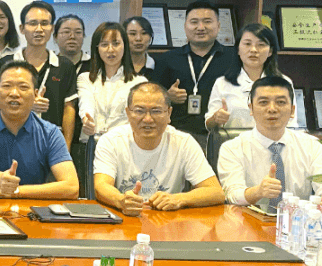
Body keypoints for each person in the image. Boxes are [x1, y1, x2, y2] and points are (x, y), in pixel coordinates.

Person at [92, 82, 224, 216]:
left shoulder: (184, 143)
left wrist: (179, 199)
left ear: (169, 113)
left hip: (167, 220)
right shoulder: (111, 141)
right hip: (125, 218)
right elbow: (101, 186)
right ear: (128, 113)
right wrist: (120, 200)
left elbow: (215, 192)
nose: (148, 119)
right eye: (139, 111)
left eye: (156, 111)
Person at [217, 76, 322, 210]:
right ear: (251, 109)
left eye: (280, 102)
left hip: (298, 220)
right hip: (248, 221)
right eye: (263, 102)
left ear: (292, 110)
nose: (272, 109)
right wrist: (258, 192)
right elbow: (231, 194)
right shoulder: (232, 149)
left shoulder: (312, 146)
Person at [0, 61, 79, 199]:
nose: (14, 93)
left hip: (31, 208)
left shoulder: (50, 133)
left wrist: (15, 191)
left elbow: (72, 187)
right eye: (7, 86)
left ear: (35, 95)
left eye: (23, 87)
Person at [76, 22, 147, 197]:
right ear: (96, 48)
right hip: (91, 146)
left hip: (124, 149)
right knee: (91, 198)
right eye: (104, 44)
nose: (110, 50)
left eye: (116, 43)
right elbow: (86, 102)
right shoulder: (85, 78)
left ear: (125, 46)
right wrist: (86, 120)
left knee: (122, 196)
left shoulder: (139, 82)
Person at [0, 1, 77, 148]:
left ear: (52, 28)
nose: (39, 29)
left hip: (52, 141)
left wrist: (65, 148)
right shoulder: (5, 64)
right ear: (22, 28)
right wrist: (27, 104)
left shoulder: (65, 66)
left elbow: (69, 109)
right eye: (33, 23)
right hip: (11, 139)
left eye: (44, 23)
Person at [154, 0, 237, 141]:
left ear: (218, 26)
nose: (200, 27)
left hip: (221, 136)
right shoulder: (167, 59)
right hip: (176, 136)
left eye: (207, 21)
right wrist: (167, 96)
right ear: (185, 26)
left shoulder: (234, 59)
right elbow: (152, 98)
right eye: (194, 22)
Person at [207, 24, 295, 131]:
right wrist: (216, 118)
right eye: (247, 44)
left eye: (261, 44)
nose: (253, 50)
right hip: (234, 141)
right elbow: (209, 124)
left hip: (271, 140)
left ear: (270, 51)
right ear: (238, 49)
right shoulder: (223, 82)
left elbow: (291, 124)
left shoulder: (283, 82)